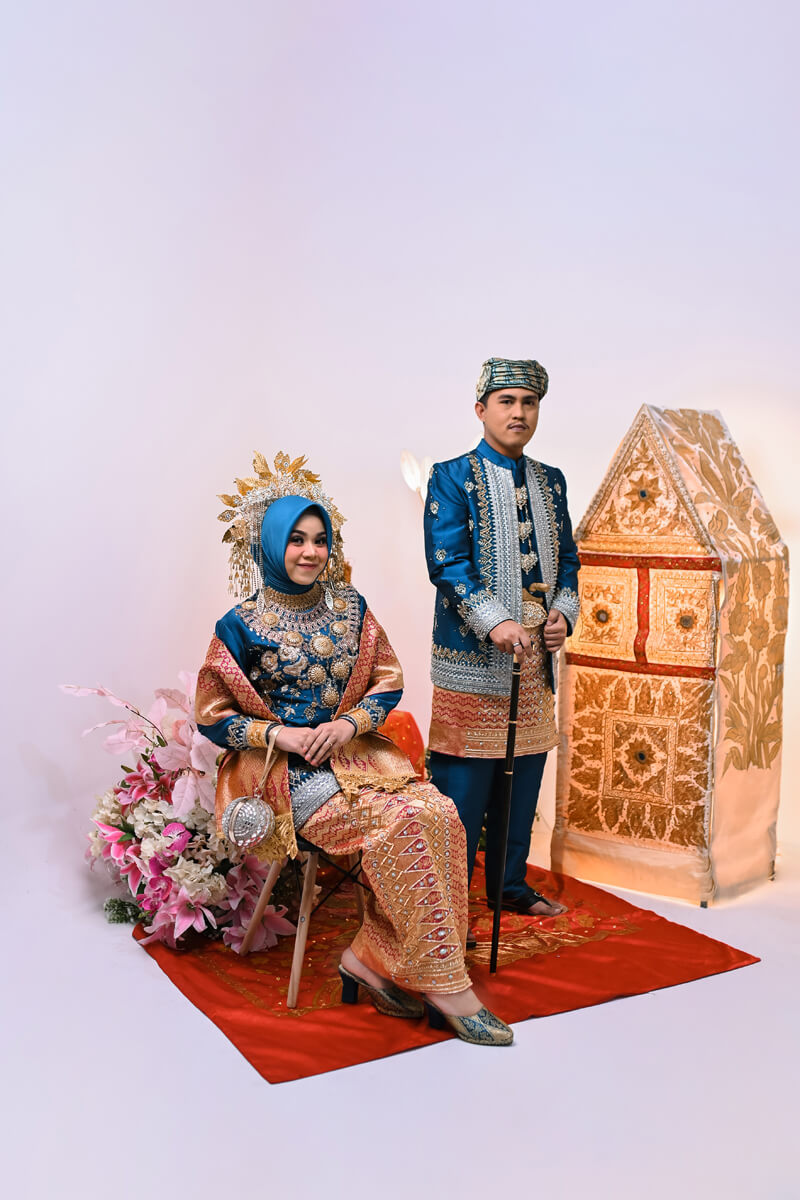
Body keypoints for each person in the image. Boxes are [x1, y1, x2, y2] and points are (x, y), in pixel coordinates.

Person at [195, 451, 512, 1046]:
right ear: (269, 545)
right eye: (296, 540)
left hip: (359, 754)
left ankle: (372, 955)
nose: (311, 552)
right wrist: (279, 734)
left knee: (440, 812)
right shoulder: (238, 624)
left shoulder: (351, 608)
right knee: (401, 822)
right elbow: (212, 714)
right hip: (284, 772)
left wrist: (348, 724)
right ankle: (444, 985)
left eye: (320, 540)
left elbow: (387, 679)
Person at [424, 357, 580, 937]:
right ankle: (446, 909)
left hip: (534, 665)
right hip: (473, 665)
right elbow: (447, 563)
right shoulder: (452, 476)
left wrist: (563, 615)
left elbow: (569, 561)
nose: (519, 413)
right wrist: (494, 622)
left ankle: (508, 886)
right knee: (463, 794)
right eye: (507, 401)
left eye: (528, 402)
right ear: (481, 410)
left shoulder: (551, 480)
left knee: (523, 781)